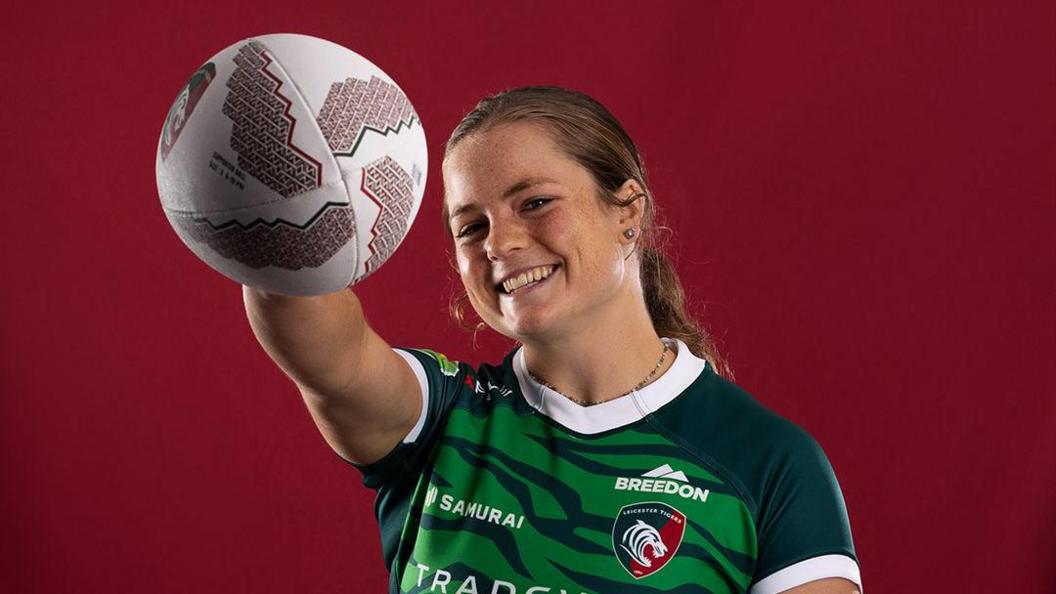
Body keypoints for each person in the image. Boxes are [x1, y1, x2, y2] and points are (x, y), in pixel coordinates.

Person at [243, 86, 863, 594]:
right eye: (471, 226)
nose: (498, 243)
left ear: (628, 212)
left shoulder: (766, 462)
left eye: (535, 202)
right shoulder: (442, 421)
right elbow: (323, 349)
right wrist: (269, 191)